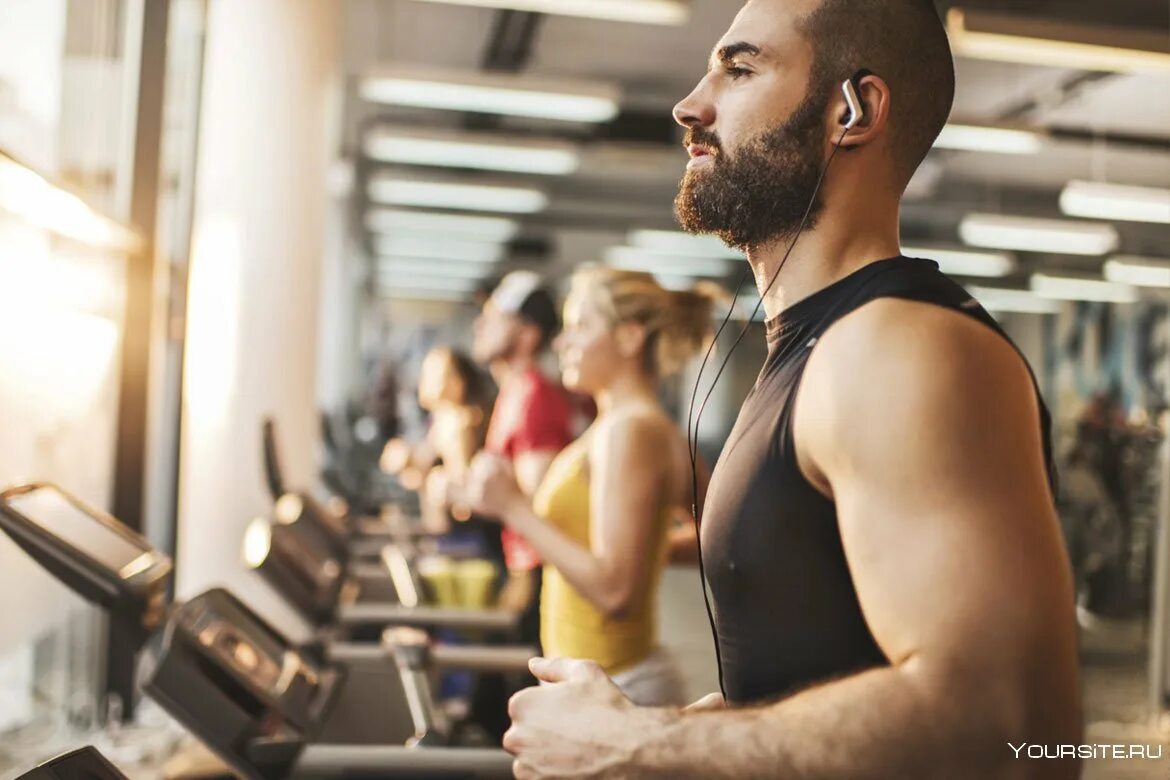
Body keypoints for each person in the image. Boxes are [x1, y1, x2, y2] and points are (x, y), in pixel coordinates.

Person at [499, 2, 1082, 779]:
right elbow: (818, 675)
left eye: (738, 70)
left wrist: (639, 745)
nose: (690, 105)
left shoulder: (895, 348)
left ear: (852, 110)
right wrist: (668, 729)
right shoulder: (810, 350)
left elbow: (999, 724)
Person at [463, 268, 716, 706]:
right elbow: (713, 536)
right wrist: (647, 550)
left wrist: (514, 508)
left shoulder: (630, 431)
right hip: (604, 679)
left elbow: (616, 593)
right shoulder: (631, 427)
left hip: (616, 685)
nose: (561, 342)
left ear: (630, 337)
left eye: (580, 326)